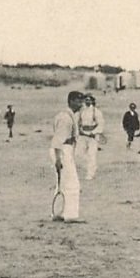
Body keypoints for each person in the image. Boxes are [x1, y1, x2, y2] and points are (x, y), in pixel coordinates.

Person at [50, 91, 85, 223]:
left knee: (62, 183)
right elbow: (57, 140)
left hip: (64, 150)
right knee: (72, 183)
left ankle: (59, 213)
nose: (81, 104)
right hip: (62, 150)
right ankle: (70, 215)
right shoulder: (65, 118)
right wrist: (58, 159)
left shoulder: (68, 116)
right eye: (78, 101)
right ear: (71, 101)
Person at [76, 94, 105, 180]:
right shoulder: (81, 111)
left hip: (93, 136)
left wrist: (94, 132)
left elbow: (101, 124)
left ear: (92, 101)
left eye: (89, 100)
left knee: (92, 155)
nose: (87, 101)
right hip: (82, 135)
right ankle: (92, 166)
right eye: (86, 100)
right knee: (79, 154)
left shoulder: (96, 111)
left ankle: (90, 173)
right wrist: (79, 131)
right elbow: (77, 122)